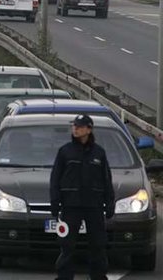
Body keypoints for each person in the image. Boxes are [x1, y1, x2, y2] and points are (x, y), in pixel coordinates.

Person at [49, 114, 115, 280]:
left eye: (79, 126)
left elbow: (106, 178)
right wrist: (55, 201)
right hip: (71, 206)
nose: (75, 129)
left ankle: (98, 276)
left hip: (94, 206)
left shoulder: (99, 153)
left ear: (89, 129)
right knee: (67, 244)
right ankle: (64, 276)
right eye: (74, 126)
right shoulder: (65, 151)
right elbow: (55, 178)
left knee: (98, 244)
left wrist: (109, 202)